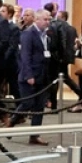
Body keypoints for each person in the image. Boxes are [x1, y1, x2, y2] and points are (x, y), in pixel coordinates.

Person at [17, 9, 52, 144]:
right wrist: (29, 75)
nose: (48, 22)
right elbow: (25, 56)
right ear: (37, 20)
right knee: (27, 103)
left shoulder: (47, 35)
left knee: (39, 106)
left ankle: (34, 135)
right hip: (30, 74)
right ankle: (14, 120)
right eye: (45, 19)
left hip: (43, 75)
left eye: (49, 19)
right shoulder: (28, 34)